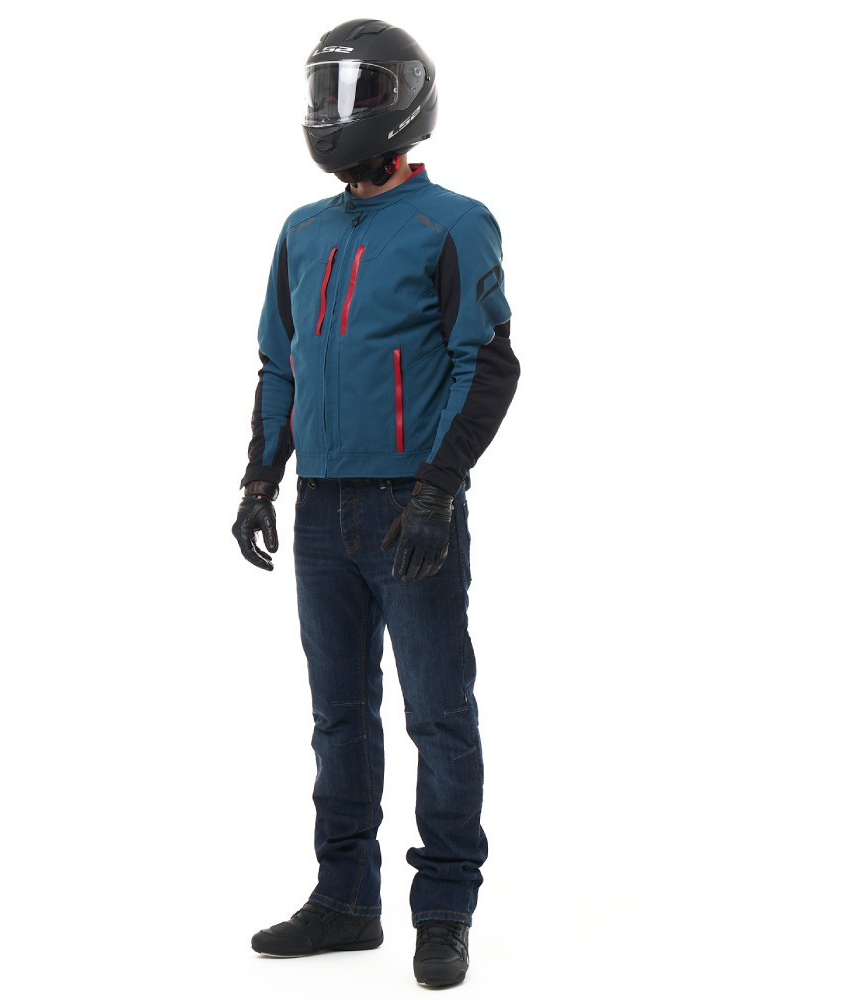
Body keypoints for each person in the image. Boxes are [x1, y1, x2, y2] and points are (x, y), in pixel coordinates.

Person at [232, 18, 520, 989]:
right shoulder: (302, 231)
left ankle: (443, 909)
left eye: (356, 92)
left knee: (437, 712)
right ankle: (347, 900)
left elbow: (489, 363)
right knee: (339, 717)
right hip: (322, 510)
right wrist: (259, 478)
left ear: (406, 101)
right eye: (325, 91)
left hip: (410, 506)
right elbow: (280, 364)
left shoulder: (453, 223)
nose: (334, 111)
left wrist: (438, 487)